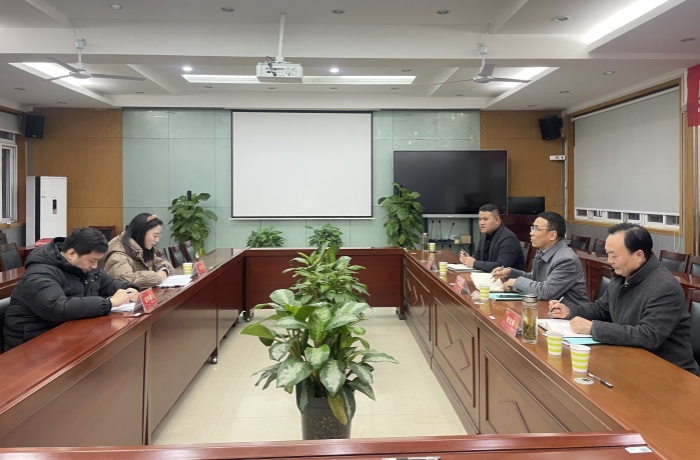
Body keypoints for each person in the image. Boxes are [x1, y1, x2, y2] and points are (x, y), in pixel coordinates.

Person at [549, 223, 699, 375]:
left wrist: (594, 328)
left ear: (638, 255)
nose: (609, 260)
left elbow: (648, 336)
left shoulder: (664, 287)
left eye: (614, 256)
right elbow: (602, 308)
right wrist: (570, 311)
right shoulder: (622, 276)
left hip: (669, 371)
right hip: (631, 360)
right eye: (608, 254)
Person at [3, 227, 140, 352]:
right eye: (92, 261)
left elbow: (109, 283)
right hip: (31, 344)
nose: (95, 266)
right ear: (72, 253)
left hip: (65, 334)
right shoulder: (40, 273)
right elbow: (57, 307)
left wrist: (129, 289)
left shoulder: (84, 267)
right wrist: (109, 302)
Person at [491, 211, 588, 307]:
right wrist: (510, 273)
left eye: (536, 229)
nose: (531, 233)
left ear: (552, 235)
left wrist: (517, 282)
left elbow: (547, 291)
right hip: (546, 308)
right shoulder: (543, 252)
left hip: (569, 314)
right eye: (532, 228)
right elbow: (534, 279)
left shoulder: (566, 260)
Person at [103, 213, 174, 289]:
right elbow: (127, 280)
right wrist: (157, 277)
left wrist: (164, 271)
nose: (157, 240)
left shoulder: (143, 249)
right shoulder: (118, 255)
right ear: (141, 233)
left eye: (158, 236)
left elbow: (160, 263)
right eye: (155, 236)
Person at [459, 203, 525, 271]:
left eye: (485, 219)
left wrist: (474, 263)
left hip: (507, 277)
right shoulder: (485, 235)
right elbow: (478, 255)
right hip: (488, 275)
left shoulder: (509, 239)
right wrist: (468, 259)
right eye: (480, 219)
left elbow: (501, 266)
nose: (481, 223)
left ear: (497, 220)